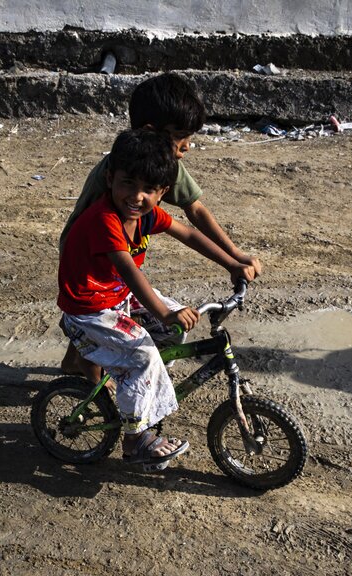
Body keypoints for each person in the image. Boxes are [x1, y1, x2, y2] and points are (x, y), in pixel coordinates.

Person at [58, 129, 252, 467]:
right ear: (109, 179)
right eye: (127, 184)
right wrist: (162, 313)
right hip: (89, 310)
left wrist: (233, 263)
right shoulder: (105, 219)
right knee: (146, 355)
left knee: (176, 329)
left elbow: (189, 233)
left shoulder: (146, 214)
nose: (136, 196)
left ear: (162, 192)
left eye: (148, 189)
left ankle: (136, 386)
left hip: (114, 298)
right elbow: (131, 273)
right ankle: (136, 441)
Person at [60, 72, 259, 374]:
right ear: (153, 131)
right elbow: (124, 265)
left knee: (107, 319)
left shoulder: (159, 167)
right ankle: (87, 376)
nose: (188, 146)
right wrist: (165, 313)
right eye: (181, 135)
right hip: (90, 258)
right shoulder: (128, 172)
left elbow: (194, 214)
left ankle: (81, 364)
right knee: (98, 321)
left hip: (114, 259)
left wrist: (234, 257)